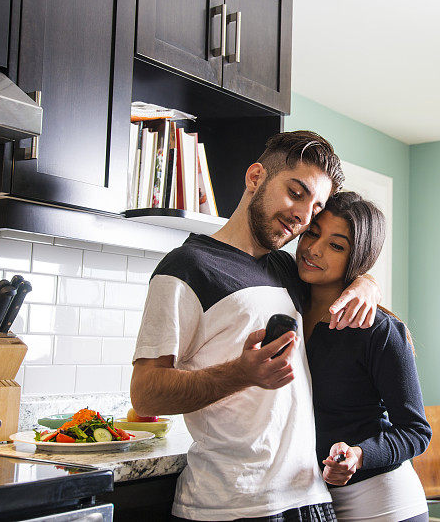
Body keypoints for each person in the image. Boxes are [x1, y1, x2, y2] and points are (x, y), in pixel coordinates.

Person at [130, 131, 382, 521]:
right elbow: (145, 394)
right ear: (255, 178)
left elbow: (341, 276)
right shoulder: (187, 267)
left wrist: (367, 282)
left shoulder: (286, 269)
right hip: (233, 505)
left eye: (315, 207)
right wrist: (241, 374)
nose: (303, 216)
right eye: (296, 193)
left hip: (307, 497)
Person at [297, 191, 432, 522]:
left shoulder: (380, 330)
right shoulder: (285, 302)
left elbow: (416, 431)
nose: (315, 249)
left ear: (358, 257)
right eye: (313, 233)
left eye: (337, 245)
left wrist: (358, 455)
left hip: (383, 501)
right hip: (309, 499)